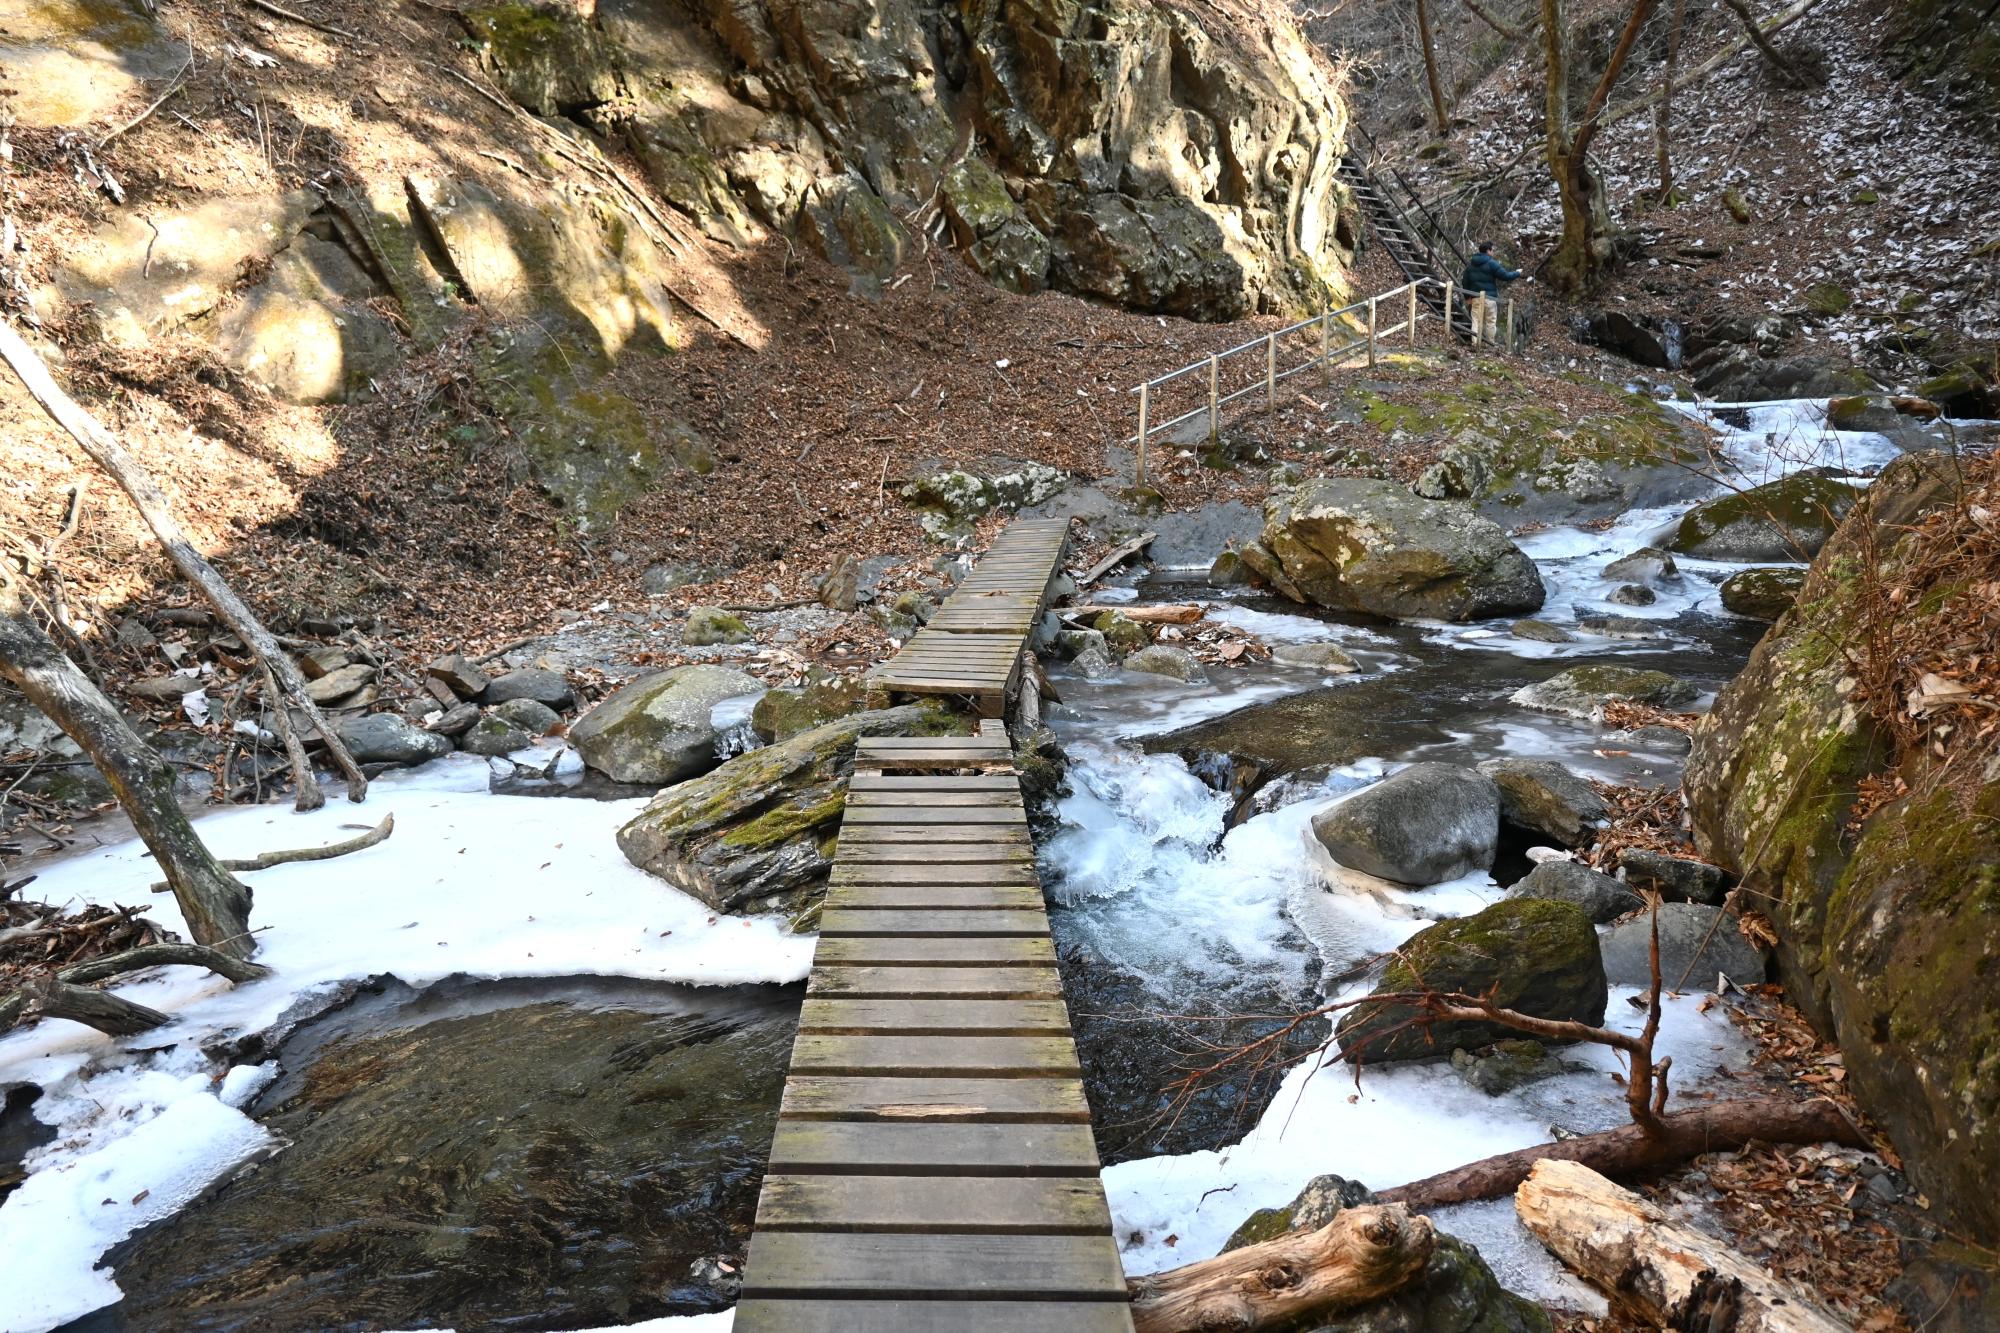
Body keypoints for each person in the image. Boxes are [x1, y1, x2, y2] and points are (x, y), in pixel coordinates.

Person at [1461, 241, 1523, 347]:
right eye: (1492, 250)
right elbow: (1505, 276)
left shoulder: (1471, 265)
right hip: (1489, 298)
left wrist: (1467, 297)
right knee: (1490, 321)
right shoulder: (1491, 263)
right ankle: (1490, 344)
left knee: (1476, 321)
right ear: (1488, 251)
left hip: (1475, 297)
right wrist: (1517, 273)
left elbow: (1465, 281)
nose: (1493, 252)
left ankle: (1475, 343)